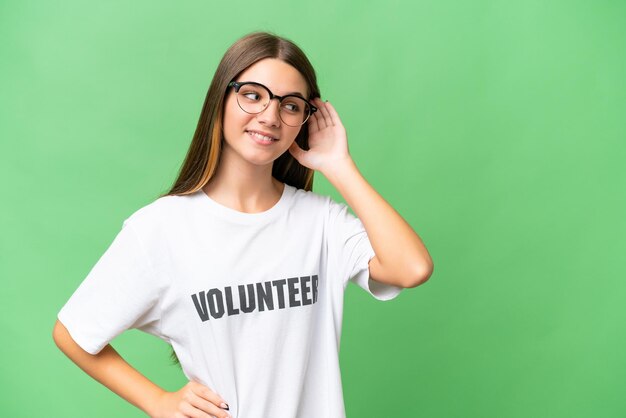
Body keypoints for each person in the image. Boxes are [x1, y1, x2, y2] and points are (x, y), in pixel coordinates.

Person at [52, 31, 434, 418]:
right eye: (252, 95)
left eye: (290, 105)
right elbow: (71, 332)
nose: (269, 116)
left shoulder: (322, 223)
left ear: (305, 119)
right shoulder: (162, 228)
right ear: (221, 99)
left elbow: (412, 268)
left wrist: (339, 165)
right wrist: (158, 401)